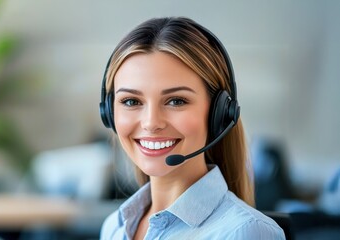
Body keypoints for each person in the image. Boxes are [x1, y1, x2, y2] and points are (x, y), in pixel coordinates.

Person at [99, 17, 286, 239]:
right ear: (110, 112)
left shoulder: (245, 232)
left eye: (176, 101)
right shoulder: (115, 228)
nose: (151, 122)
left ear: (220, 113)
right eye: (131, 101)